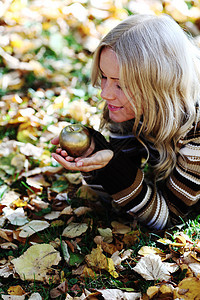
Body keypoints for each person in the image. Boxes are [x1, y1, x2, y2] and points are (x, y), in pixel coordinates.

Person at [51, 14, 200, 230]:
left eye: (120, 85)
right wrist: (95, 154)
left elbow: (167, 218)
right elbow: (119, 202)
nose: (105, 93)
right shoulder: (128, 105)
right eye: (104, 77)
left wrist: (114, 167)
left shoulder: (195, 128)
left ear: (158, 84)